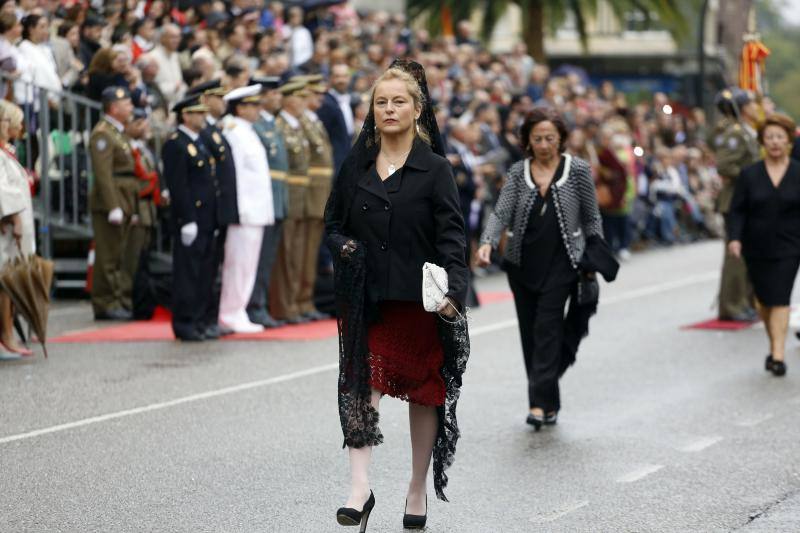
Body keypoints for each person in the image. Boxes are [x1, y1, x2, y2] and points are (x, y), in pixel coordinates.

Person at [325, 64, 469, 531]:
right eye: (381, 102)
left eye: (398, 102)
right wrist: (345, 247)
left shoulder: (436, 169)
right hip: (367, 300)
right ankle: (359, 488)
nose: (389, 109)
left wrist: (454, 291)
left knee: (423, 393)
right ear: (372, 110)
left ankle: (415, 487)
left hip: (417, 302)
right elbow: (332, 226)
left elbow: (452, 238)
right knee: (363, 385)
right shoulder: (356, 166)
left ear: (416, 109)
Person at [477, 106, 604, 429]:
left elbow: (591, 217)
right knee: (531, 336)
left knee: (548, 329)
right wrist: (488, 242)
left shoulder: (577, 170)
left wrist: (596, 251)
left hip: (563, 265)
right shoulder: (519, 172)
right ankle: (549, 402)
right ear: (527, 141)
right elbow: (501, 212)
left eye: (550, 138)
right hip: (522, 266)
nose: (544, 144)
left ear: (561, 139)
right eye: (537, 138)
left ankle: (536, 403)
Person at [727, 113, 800, 377]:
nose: (775, 142)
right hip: (756, 245)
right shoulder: (749, 174)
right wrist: (734, 238)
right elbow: (738, 211)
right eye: (769, 137)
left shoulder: (797, 172)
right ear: (762, 142)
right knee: (764, 301)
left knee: (780, 297)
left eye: (780, 137)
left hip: (791, 245)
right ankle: (774, 345)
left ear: (789, 140)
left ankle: (778, 355)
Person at [219, 84, 275, 333]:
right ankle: (230, 312)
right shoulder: (234, 132)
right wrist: (239, 209)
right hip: (245, 210)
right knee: (237, 264)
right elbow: (236, 176)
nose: (258, 109)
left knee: (248, 264)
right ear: (239, 108)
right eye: (253, 105)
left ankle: (238, 310)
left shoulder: (248, 131)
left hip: (258, 209)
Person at [161, 95, 217, 341]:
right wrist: (187, 218)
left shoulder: (198, 142)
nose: (203, 117)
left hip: (206, 216)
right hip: (191, 217)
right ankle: (184, 322)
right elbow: (179, 185)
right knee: (188, 272)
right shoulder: (176, 143)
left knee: (204, 272)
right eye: (199, 113)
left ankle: (199, 319)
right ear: (186, 115)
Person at [193, 78, 239, 338]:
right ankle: (200, 318)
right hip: (209, 207)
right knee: (204, 267)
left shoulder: (215, 130)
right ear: (205, 100)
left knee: (213, 267)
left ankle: (209, 317)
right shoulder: (203, 132)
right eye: (218, 98)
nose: (223, 103)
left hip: (220, 207)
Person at [88, 86, 137, 321]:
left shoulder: (117, 132)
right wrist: (112, 206)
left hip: (124, 198)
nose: (131, 107)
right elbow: (103, 174)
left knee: (118, 254)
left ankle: (115, 300)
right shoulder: (102, 134)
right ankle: (104, 303)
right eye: (126, 103)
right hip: (111, 201)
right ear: (113, 107)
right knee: (108, 255)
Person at [712, 88, 760, 322]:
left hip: (748, 200)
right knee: (735, 255)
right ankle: (731, 306)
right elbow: (724, 166)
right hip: (734, 200)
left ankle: (743, 301)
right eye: (751, 103)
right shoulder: (735, 133)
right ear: (741, 108)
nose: (755, 106)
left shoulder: (749, 132)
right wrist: (752, 177)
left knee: (748, 254)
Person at [247, 77, 289, 328]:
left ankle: (261, 304)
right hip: (263, 197)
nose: (277, 97)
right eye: (272, 93)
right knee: (259, 257)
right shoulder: (256, 126)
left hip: (278, 197)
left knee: (268, 257)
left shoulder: (273, 125)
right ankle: (254, 306)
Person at [270, 79, 311, 325]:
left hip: (302, 195)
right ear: (287, 100)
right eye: (299, 97)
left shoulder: (296, 126)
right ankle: (282, 305)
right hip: (289, 193)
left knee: (297, 253)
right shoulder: (281, 126)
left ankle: (294, 302)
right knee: (285, 253)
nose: (303, 102)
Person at [0, 99, 35, 358]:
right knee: (4, 282)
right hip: (7, 226)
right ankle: (6, 337)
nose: (8, 124)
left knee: (9, 281)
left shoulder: (6, 152)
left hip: (11, 226)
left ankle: (9, 334)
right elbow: (3, 190)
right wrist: (16, 218)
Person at [121, 107, 159, 312]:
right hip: (136, 208)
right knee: (130, 259)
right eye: (139, 124)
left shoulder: (144, 147)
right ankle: (126, 300)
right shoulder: (126, 148)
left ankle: (139, 299)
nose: (144, 127)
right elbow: (132, 180)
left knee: (142, 257)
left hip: (148, 210)